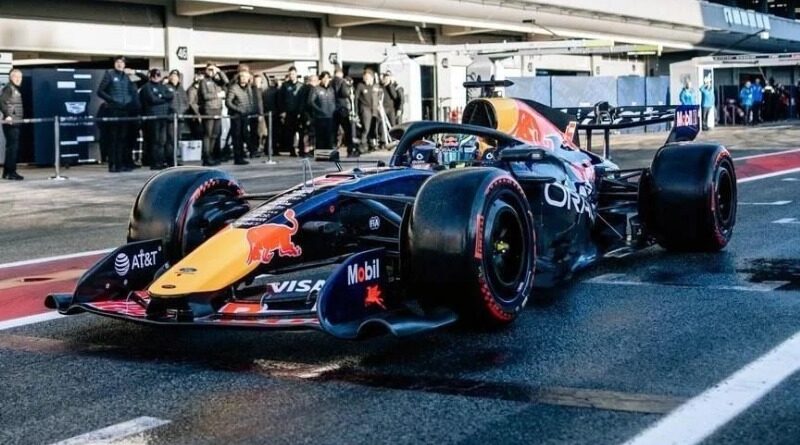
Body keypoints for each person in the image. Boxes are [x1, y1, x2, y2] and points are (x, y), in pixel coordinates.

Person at [97, 56, 139, 172]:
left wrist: (135, 72)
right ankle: (113, 164)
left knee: (123, 138)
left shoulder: (127, 76)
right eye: (117, 62)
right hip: (113, 110)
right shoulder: (109, 74)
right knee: (113, 138)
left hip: (125, 110)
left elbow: (143, 81)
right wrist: (111, 100)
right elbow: (100, 91)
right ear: (114, 64)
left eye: (122, 62)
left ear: (125, 65)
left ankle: (120, 164)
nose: (120, 64)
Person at [225, 69, 262, 165]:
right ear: (239, 77)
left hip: (245, 115)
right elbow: (228, 102)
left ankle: (242, 155)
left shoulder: (248, 88)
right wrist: (238, 109)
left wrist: (250, 110)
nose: (245, 78)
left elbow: (250, 100)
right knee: (237, 136)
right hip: (236, 115)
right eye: (243, 76)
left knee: (243, 135)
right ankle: (238, 157)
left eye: (247, 77)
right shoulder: (234, 88)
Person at [139, 68, 174, 170]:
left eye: (158, 75)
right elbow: (152, 99)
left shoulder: (163, 86)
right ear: (150, 76)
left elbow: (170, 95)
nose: (156, 77)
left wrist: (160, 96)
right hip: (153, 116)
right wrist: (164, 98)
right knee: (154, 140)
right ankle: (154, 162)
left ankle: (160, 160)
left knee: (162, 141)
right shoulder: (147, 87)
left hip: (163, 116)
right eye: (154, 76)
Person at [197, 63, 228, 165]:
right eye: (209, 69)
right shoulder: (204, 82)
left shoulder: (217, 81)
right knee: (208, 134)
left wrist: (219, 71)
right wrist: (217, 95)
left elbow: (226, 82)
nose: (211, 71)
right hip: (208, 109)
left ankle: (211, 154)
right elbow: (205, 96)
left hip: (218, 109)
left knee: (215, 134)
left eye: (212, 69)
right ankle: (206, 156)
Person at [0, 69, 24, 180]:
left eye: (20, 77)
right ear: (11, 77)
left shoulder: (14, 88)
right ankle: (11, 172)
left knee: (11, 148)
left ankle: (6, 173)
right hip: (11, 123)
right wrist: (7, 115)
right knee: (12, 148)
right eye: (16, 77)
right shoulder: (9, 88)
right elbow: (1, 101)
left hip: (15, 122)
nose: (19, 79)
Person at [278, 67, 305, 156]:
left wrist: (301, 111)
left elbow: (303, 100)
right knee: (290, 132)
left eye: (293, 74)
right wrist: (282, 111)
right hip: (289, 113)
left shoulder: (301, 86)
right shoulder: (285, 85)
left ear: (296, 74)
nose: (291, 76)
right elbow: (280, 99)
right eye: (290, 74)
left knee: (301, 132)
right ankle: (291, 150)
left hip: (299, 113)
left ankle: (301, 150)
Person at [356, 69, 382, 152]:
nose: (367, 78)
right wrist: (356, 111)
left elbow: (379, 96)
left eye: (369, 77)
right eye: (365, 77)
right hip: (365, 108)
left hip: (373, 109)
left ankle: (371, 145)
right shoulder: (361, 86)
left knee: (372, 127)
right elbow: (356, 98)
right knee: (366, 128)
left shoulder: (374, 87)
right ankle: (362, 145)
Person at [309, 71, 336, 153]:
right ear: (321, 79)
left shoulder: (331, 89)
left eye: (327, 78)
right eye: (324, 78)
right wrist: (319, 110)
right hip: (319, 117)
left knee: (329, 137)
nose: (326, 80)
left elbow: (333, 101)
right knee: (320, 138)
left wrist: (333, 109)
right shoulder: (316, 89)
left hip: (330, 117)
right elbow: (311, 101)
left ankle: (329, 154)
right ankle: (320, 154)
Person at [331, 68, 356, 156]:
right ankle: (350, 150)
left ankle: (333, 151)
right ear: (341, 74)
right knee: (347, 130)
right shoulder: (343, 82)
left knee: (334, 132)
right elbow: (345, 93)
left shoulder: (331, 82)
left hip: (333, 109)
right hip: (342, 109)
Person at [165, 69, 189, 161]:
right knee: (171, 139)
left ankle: (175, 158)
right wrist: (173, 111)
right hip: (171, 118)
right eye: (172, 76)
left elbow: (186, 102)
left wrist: (181, 112)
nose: (174, 78)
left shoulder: (181, 88)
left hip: (180, 118)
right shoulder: (166, 87)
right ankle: (170, 159)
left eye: (176, 76)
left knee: (177, 139)